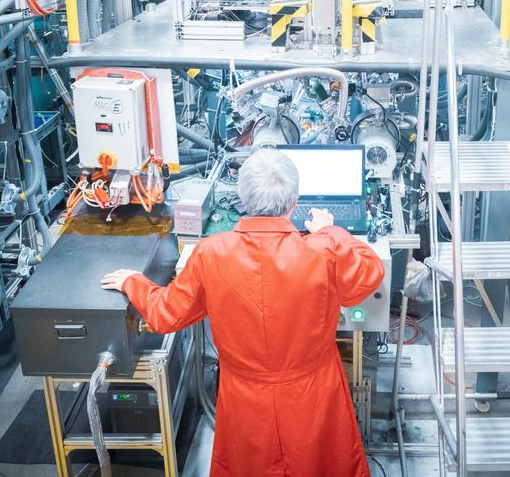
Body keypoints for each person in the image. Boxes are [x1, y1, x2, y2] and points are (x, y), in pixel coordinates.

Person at [101, 147, 384, 477]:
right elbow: (369, 273)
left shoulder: (211, 253)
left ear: (242, 198)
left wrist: (134, 283)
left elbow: (167, 315)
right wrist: (329, 231)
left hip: (245, 400)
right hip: (313, 396)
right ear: (294, 203)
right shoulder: (323, 251)